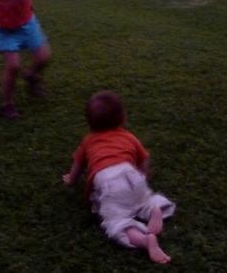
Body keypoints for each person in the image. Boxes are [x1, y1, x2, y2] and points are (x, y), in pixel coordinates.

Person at [63, 91, 175, 264]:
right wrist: (143, 176)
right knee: (143, 199)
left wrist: (71, 180)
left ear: (89, 123)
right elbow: (144, 159)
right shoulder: (128, 136)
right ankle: (154, 209)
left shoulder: (88, 141)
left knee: (116, 220)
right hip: (132, 175)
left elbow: (77, 165)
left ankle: (145, 240)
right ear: (122, 118)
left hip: (109, 183)